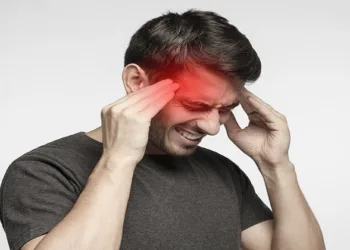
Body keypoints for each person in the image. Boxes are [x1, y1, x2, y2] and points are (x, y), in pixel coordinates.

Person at [0, 9, 325, 250]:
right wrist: (119, 159)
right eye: (196, 105)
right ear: (137, 82)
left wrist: (276, 165)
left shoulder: (221, 172)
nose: (213, 127)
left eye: (225, 109)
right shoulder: (42, 171)